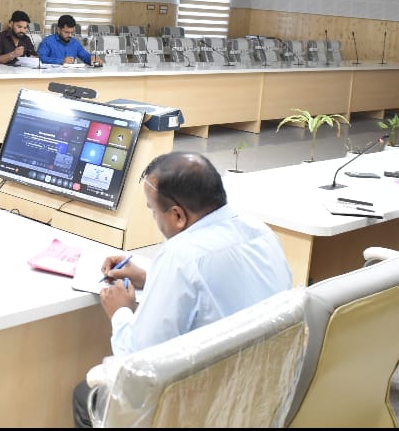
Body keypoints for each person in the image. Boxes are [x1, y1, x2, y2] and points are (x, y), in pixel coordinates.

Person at [70, 152, 291, 428]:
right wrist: (150, 278)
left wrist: (121, 312)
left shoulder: (180, 257)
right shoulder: (261, 233)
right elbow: (214, 289)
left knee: (85, 395)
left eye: (152, 211)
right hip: (265, 391)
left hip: (203, 402)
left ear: (177, 215)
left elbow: (139, 363)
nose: (154, 218)